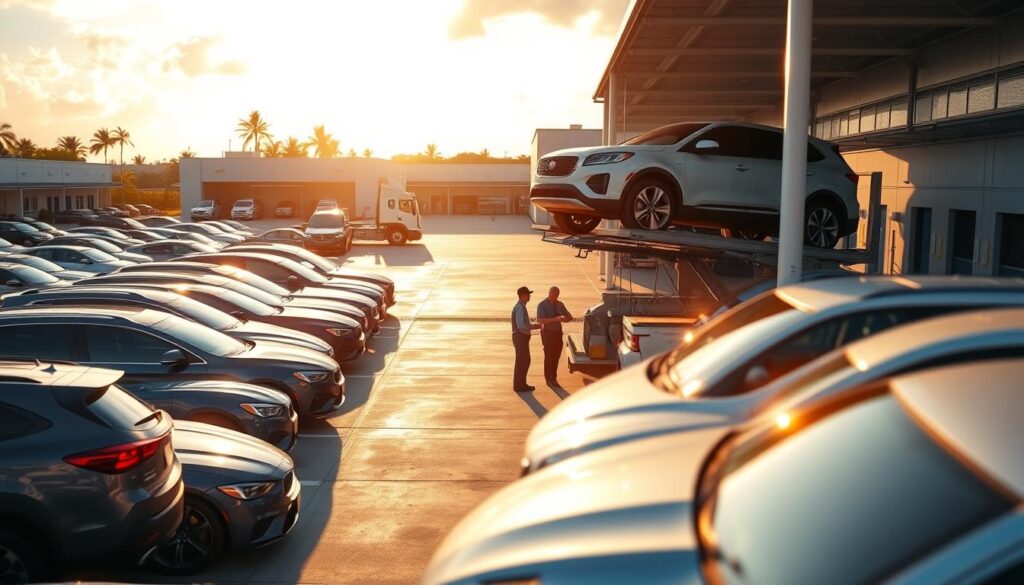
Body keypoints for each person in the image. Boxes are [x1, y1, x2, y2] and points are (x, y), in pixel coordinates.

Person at [536, 286, 573, 387]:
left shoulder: (560, 304)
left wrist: (564, 318)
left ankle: (554, 377)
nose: (555, 297)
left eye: (556, 295)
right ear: (549, 293)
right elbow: (540, 320)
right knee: (548, 357)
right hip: (547, 334)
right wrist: (555, 319)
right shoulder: (542, 305)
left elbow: (570, 317)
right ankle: (548, 378)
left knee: (556, 357)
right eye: (553, 294)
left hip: (558, 334)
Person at [511, 286, 541, 392]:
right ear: (523, 295)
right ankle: (520, 385)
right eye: (528, 294)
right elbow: (521, 325)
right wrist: (534, 326)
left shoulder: (521, 306)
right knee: (523, 361)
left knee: (523, 361)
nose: (529, 296)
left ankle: (520, 384)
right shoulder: (520, 308)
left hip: (521, 337)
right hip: (520, 337)